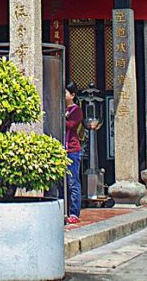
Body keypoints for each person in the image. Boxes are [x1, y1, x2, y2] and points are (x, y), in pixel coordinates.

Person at [63, 82, 84, 225]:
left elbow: (71, 125)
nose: (63, 95)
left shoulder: (76, 110)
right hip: (61, 150)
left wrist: (61, 117)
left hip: (72, 150)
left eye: (65, 92)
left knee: (73, 182)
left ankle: (74, 213)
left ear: (72, 95)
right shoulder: (62, 108)